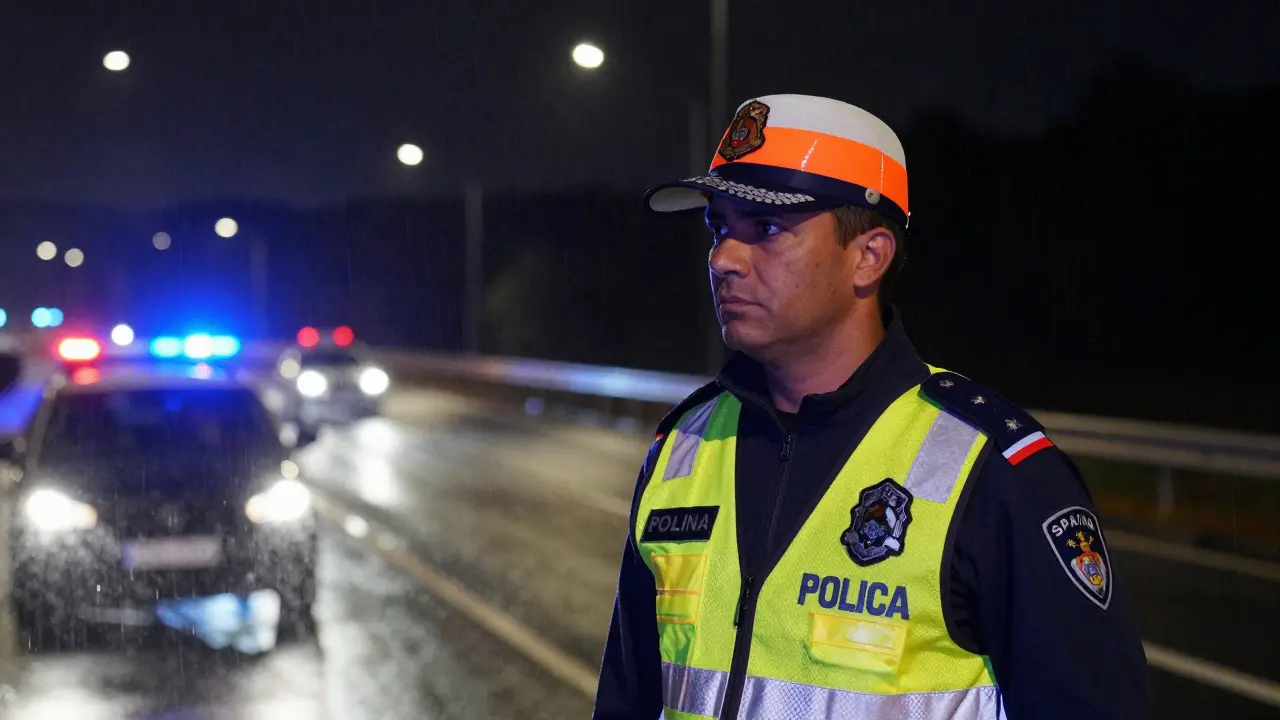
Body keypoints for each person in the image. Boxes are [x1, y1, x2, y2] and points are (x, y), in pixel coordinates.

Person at [591, 94, 1150, 719]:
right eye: (718, 228)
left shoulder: (995, 473)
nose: (723, 259)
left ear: (869, 256)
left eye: (765, 229)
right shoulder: (681, 450)